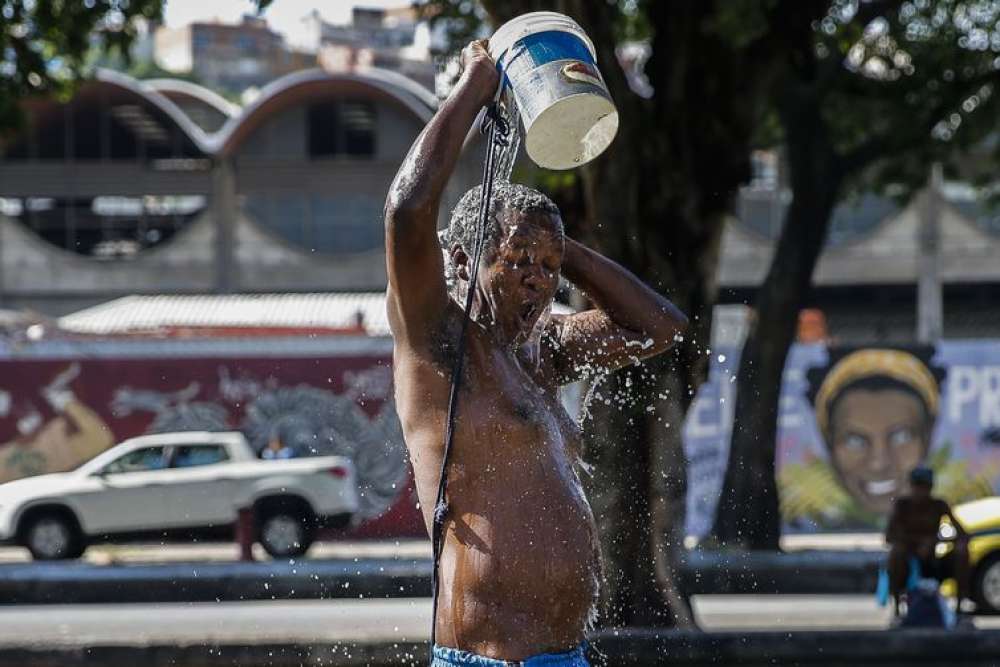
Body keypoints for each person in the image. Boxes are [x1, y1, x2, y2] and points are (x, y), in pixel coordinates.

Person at [384, 39, 687, 665]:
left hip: (566, 655)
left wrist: (562, 246)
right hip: (487, 660)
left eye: (548, 268)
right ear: (463, 262)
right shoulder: (439, 342)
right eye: (517, 261)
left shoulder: (544, 347)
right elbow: (408, 212)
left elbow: (661, 329)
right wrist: (474, 85)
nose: (536, 279)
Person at [886, 466, 971, 617]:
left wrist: (935, 541)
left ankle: (959, 605)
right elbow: (889, 536)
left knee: (962, 553)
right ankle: (898, 606)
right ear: (911, 486)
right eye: (917, 486)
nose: (921, 491)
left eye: (925, 487)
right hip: (908, 560)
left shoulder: (938, 505)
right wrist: (916, 543)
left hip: (934, 559)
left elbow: (962, 533)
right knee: (896, 552)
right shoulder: (902, 506)